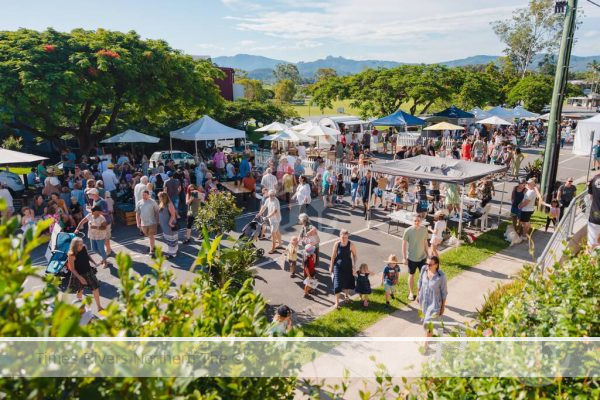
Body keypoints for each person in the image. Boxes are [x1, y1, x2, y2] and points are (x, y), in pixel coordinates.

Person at [417, 255, 447, 350]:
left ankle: (424, 345)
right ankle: (429, 337)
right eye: (426, 263)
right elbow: (420, 282)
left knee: (428, 323)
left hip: (434, 304)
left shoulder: (441, 276)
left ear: (436, 265)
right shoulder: (424, 270)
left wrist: (442, 307)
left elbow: (444, 293)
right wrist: (418, 294)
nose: (427, 266)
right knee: (426, 323)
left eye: (430, 264)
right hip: (424, 301)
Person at [67, 237, 103, 311]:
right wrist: (80, 278)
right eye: (79, 244)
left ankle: (99, 307)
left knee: (95, 288)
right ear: (75, 246)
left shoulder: (83, 247)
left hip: (89, 271)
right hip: (79, 274)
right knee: (80, 291)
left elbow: (87, 256)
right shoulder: (71, 255)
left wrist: (94, 262)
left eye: (82, 243)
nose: (82, 245)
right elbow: (72, 269)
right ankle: (80, 308)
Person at [402, 215, 429, 301]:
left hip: (422, 257)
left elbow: (425, 243)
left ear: (421, 221)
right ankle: (411, 292)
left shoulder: (424, 229)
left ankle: (421, 292)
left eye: (418, 221)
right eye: (415, 221)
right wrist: (404, 258)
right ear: (412, 221)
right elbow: (403, 245)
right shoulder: (408, 231)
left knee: (424, 276)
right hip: (412, 258)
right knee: (411, 275)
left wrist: (428, 255)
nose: (417, 222)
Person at [329, 229, 357, 309]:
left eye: (346, 237)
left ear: (348, 236)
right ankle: (337, 303)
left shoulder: (351, 244)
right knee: (337, 284)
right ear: (339, 236)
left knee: (346, 282)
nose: (344, 239)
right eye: (342, 237)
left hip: (347, 265)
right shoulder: (337, 244)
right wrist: (331, 267)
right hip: (337, 266)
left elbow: (355, 255)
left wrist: (354, 266)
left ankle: (346, 296)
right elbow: (333, 256)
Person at [88, 188, 113, 256]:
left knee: (106, 238)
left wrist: (93, 211)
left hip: (106, 222)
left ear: (95, 194)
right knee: (104, 238)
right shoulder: (94, 200)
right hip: (100, 222)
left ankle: (108, 251)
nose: (89, 196)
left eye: (90, 194)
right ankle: (108, 249)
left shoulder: (102, 201)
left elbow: (106, 212)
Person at [136, 190, 160, 255]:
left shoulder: (152, 202)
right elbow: (137, 214)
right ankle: (153, 246)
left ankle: (151, 250)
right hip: (143, 223)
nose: (143, 196)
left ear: (148, 195)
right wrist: (138, 223)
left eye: (145, 195)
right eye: (143, 195)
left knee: (151, 236)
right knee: (149, 236)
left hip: (152, 222)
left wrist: (158, 220)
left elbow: (157, 211)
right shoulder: (139, 203)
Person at [157, 192, 178, 258]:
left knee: (171, 237)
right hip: (164, 224)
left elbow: (173, 215)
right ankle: (173, 250)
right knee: (168, 237)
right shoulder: (161, 203)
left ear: (163, 197)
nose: (159, 198)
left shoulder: (169, 204)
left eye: (160, 197)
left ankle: (172, 253)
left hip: (169, 224)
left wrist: (170, 223)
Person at [261, 189, 282, 254]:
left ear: (274, 195)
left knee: (273, 234)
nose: (272, 196)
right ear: (268, 195)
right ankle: (280, 244)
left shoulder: (276, 201)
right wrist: (259, 213)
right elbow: (264, 207)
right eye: (270, 195)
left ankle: (273, 249)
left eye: (273, 195)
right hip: (271, 219)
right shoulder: (268, 200)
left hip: (275, 220)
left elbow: (275, 211)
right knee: (277, 231)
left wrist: (267, 217)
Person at [587, 171, 600, 251]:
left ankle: (588, 262)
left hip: (594, 216)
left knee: (591, 244)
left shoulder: (594, 179)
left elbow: (590, 197)